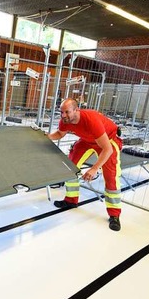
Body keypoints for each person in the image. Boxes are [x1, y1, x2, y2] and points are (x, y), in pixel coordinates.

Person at [47, 98, 123, 231]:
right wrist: (45, 137)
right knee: (69, 166)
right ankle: (71, 200)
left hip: (108, 142)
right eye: (61, 112)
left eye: (67, 112)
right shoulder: (66, 120)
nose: (63, 115)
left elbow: (107, 149)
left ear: (76, 110)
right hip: (87, 141)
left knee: (111, 177)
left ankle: (114, 215)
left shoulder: (91, 120)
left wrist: (94, 169)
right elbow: (60, 133)